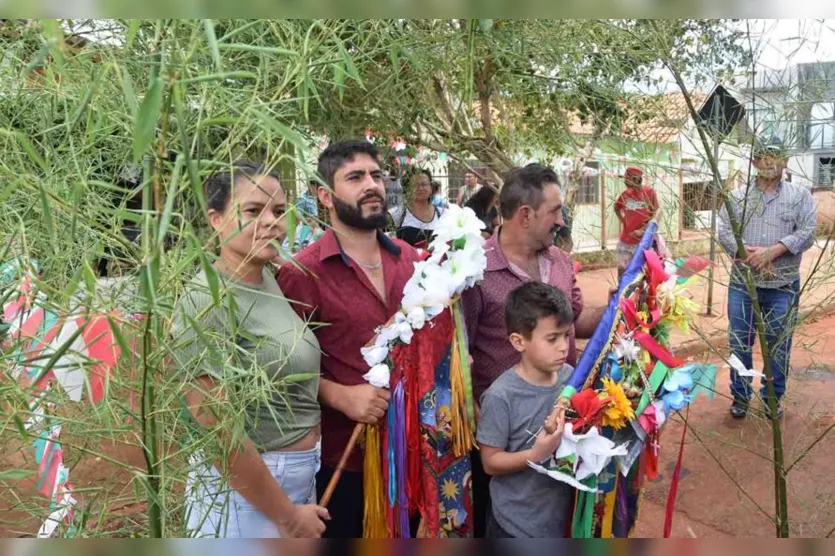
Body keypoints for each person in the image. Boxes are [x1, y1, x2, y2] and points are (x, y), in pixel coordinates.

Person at [173, 161, 328, 538]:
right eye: (253, 211)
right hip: (247, 498)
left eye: (278, 211)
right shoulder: (206, 300)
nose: (272, 222)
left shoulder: (268, 281)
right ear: (215, 219)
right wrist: (289, 517)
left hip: (292, 484)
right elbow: (218, 431)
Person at [278, 139, 422, 538]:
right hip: (343, 459)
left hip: (412, 455)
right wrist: (340, 395)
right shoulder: (302, 274)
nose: (371, 185)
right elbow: (279, 370)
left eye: (376, 175)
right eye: (355, 177)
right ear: (325, 195)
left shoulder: (413, 261)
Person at [461, 163, 605, 537]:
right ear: (525, 214)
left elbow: (574, 320)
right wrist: (478, 415)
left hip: (562, 424)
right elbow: (460, 351)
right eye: (555, 211)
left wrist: (617, 311)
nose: (561, 219)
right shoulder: (474, 269)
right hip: (502, 430)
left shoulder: (558, 260)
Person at [718, 138, 816, 420]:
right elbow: (723, 227)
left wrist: (774, 251)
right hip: (743, 285)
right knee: (739, 342)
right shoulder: (738, 197)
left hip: (782, 286)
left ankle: (773, 398)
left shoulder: (800, 196)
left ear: (785, 160)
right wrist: (743, 251)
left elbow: (808, 231)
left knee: (779, 344)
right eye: (762, 156)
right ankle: (740, 396)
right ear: (754, 162)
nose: (769, 161)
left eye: (776, 156)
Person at [477, 281, 574, 538]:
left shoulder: (570, 379)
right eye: (552, 339)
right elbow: (490, 462)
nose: (564, 346)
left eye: (566, 335)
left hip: (559, 519)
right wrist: (536, 453)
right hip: (514, 526)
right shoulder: (501, 397)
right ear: (519, 341)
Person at [614, 167, 659, 279]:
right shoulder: (625, 194)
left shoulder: (649, 193)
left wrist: (643, 229)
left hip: (644, 242)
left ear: (636, 179)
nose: (624, 181)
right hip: (625, 242)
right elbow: (616, 208)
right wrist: (623, 221)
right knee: (622, 273)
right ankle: (622, 295)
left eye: (627, 178)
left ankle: (641, 296)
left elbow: (656, 213)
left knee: (642, 275)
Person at [389, 168, 445, 248]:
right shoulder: (397, 213)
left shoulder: (443, 214)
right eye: (415, 185)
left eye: (424, 184)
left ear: (431, 188)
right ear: (407, 189)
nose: (421, 188)